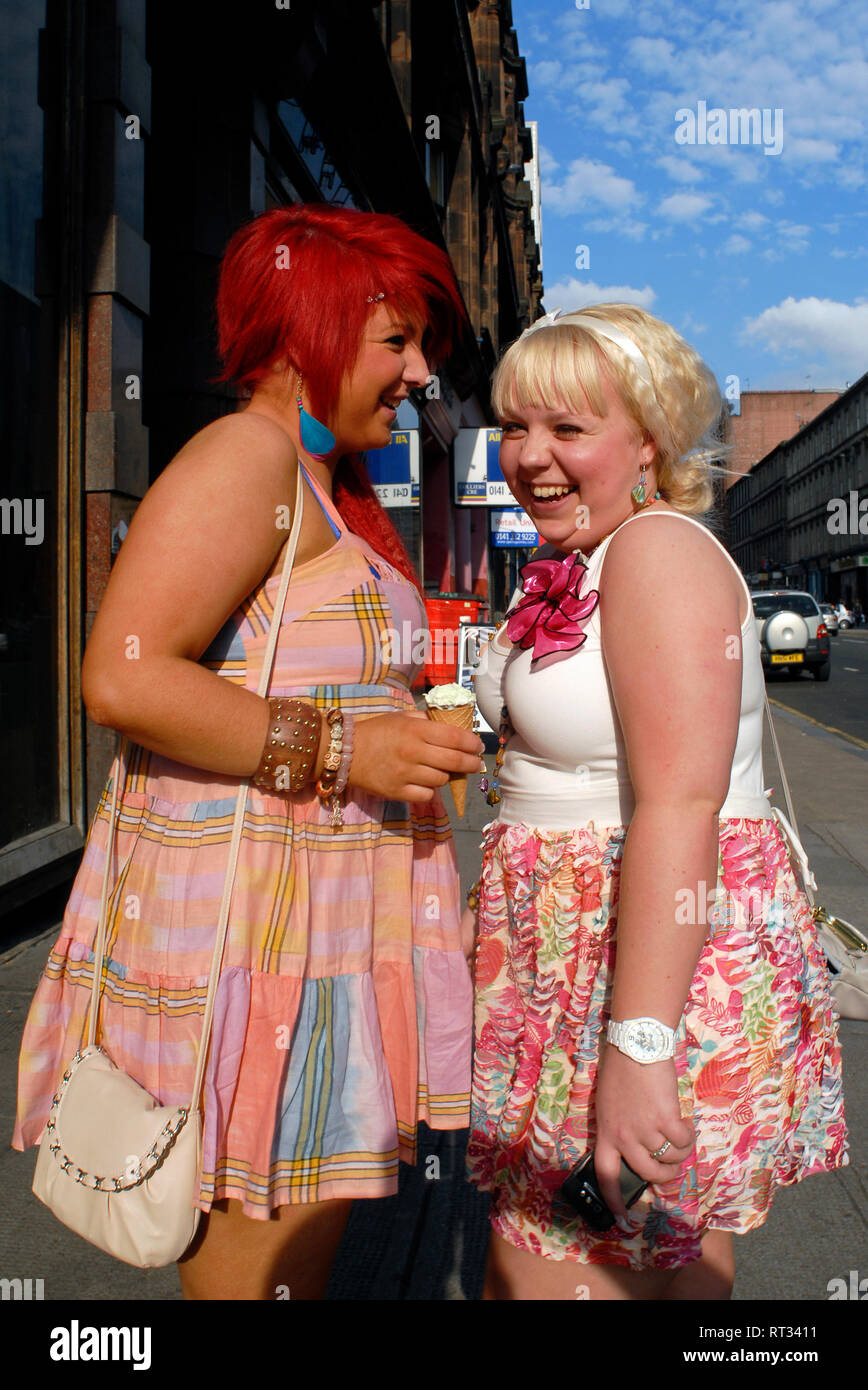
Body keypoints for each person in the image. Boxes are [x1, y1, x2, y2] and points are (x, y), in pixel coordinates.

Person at [12, 204, 485, 1300]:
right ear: (309, 330)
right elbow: (124, 676)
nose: (419, 374)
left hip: (314, 930)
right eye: (397, 342)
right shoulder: (248, 454)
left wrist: (408, 723)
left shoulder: (323, 482)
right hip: (256, 939)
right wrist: (347, 748)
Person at [463, 305, 848, 1300]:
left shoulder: (654, 551)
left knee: (551, 1264)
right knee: (667, 1255)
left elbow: (681, 802)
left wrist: (639, 1049)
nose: (530, 456)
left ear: (649, 441)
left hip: (639, 971)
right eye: (513, 427)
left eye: (567, 428)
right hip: (588, 958)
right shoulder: (593, 556)